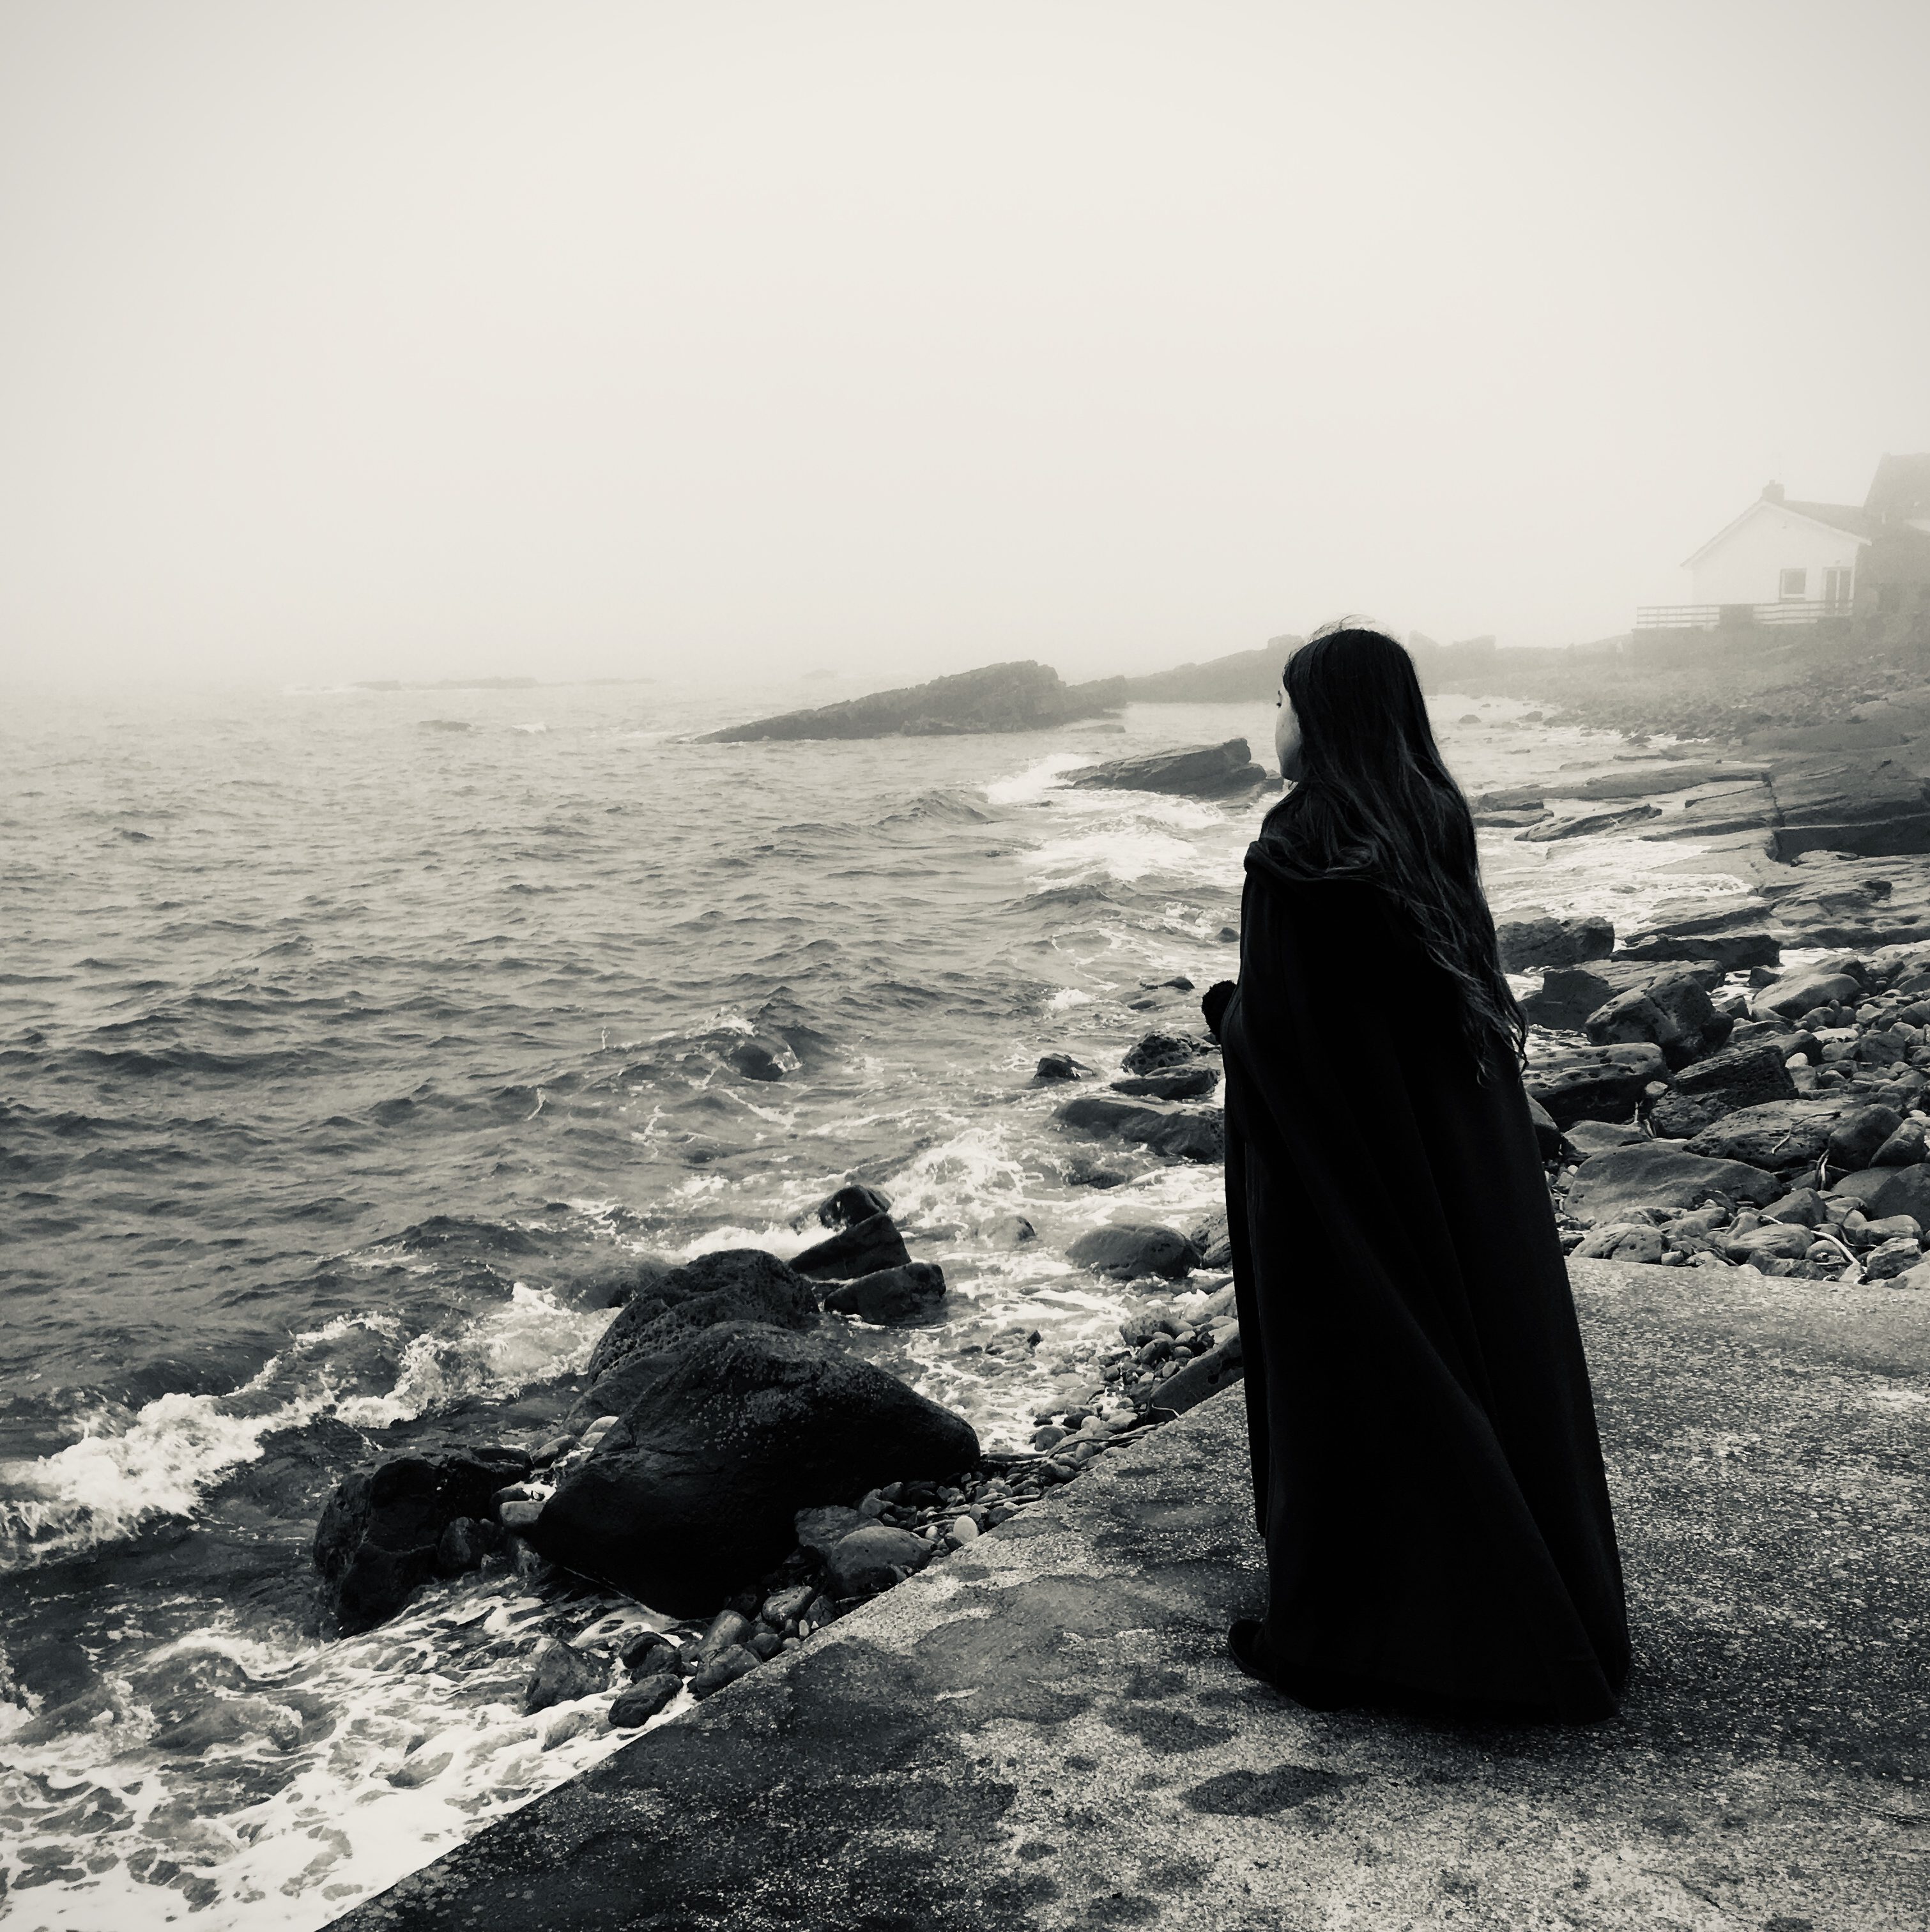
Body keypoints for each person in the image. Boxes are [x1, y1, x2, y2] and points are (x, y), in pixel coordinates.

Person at [1202, 625, 1630, 1724]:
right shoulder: (1426, 817)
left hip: (1336, 1167)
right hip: (1449, 1146)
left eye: (1286, 703)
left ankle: (1358, 1639)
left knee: (1355, 1370)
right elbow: (1408, 1012)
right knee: (1470, 1349)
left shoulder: (1298, 841)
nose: (1277, 725)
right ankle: (1536, 1611)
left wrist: (1225, 1016)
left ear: (1325, 716)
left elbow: (1293, 1042)